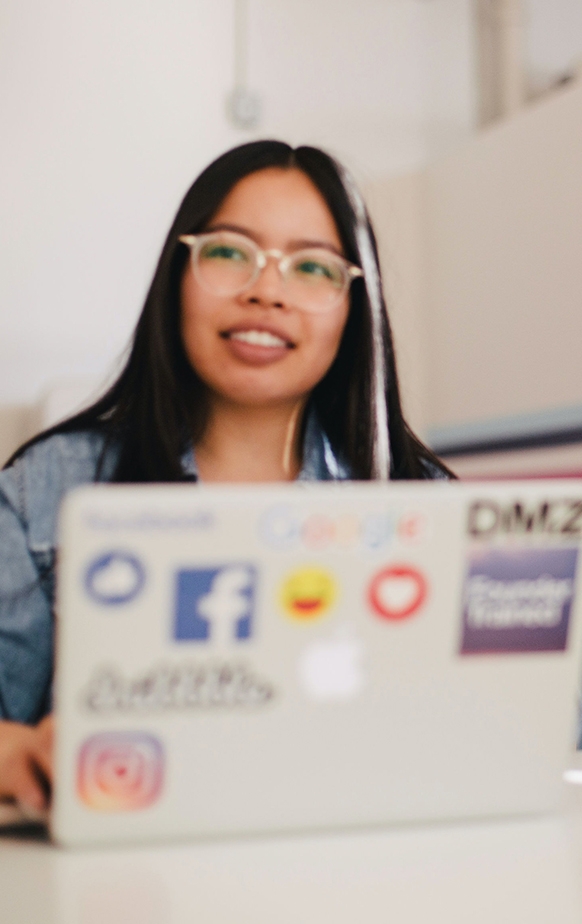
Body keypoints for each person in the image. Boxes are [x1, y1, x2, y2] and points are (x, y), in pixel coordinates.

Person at [0, 140, 451, 810]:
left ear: (356, 308)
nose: (266, 290)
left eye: (312, 267)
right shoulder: (50, 489)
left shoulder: (426, 503)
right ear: (177, 277)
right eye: (229, 252)